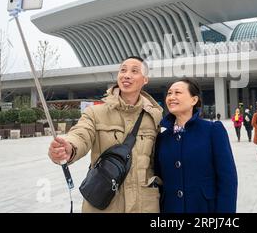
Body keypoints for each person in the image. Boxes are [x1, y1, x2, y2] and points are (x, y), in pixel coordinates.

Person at [48, 56, 163, 213]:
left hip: (144, 204)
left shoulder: (153, 117)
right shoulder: (95, 113)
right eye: (123, 70)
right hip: (105, 202)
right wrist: (69, 147)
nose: (127, 75)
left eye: (134, 71)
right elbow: (80, 134)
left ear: (145, 80)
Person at [155, 78, 237, 213]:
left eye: (177, 93)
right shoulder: (162, 138)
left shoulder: (212, 130)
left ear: (194, 100)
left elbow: (228, 180)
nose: (171, 97)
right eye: (169, 93)